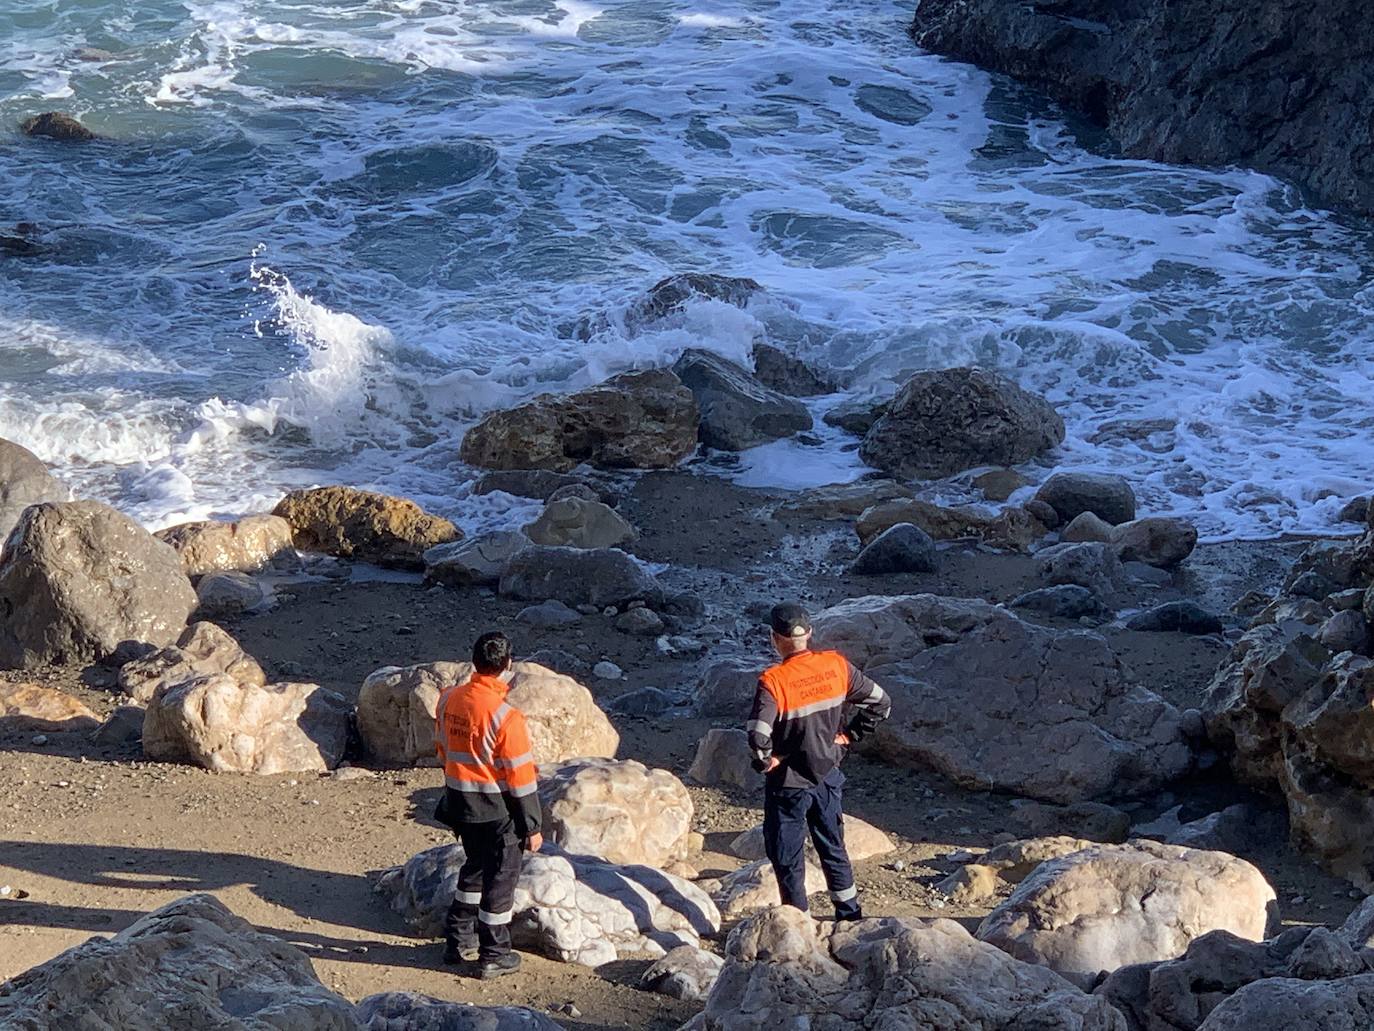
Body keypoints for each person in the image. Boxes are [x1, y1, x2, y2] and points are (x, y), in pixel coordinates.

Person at [746, 602, 891, 921]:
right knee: (834, 848)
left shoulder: (773, 681)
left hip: (788, 784)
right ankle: (849, 915)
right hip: (827, 774)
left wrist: (765, 762)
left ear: (774, 638)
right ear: (809, 633)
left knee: (787, 857)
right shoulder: (836, 666)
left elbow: (758, 737)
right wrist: (849, 736)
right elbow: (881, 702)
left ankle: (798, 923)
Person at [433, 632, 542, 979]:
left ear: (474, 661)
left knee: (475, 868)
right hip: (496, 810)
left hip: (459, 802)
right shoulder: (506, 717)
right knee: (500, 878)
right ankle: (493, 953)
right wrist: (532, 826)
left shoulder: (448, 699)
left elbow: (443, 748)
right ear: (508, 665)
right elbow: (520, 778)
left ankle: (457, 938)